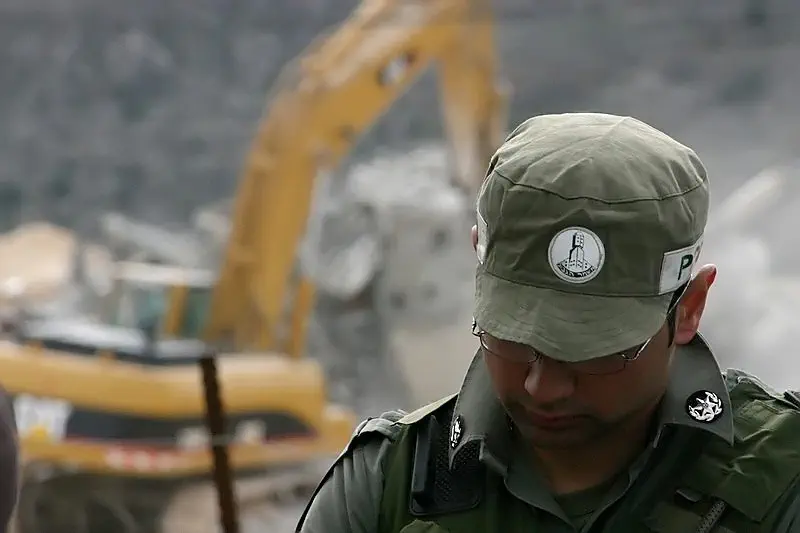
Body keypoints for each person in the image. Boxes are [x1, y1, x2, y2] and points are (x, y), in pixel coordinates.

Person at [295, 113, 800, 533]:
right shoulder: (387, 487)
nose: (543, 386)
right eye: (513, 338)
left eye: (593, 350)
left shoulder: (783, 482)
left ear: (688, 308)